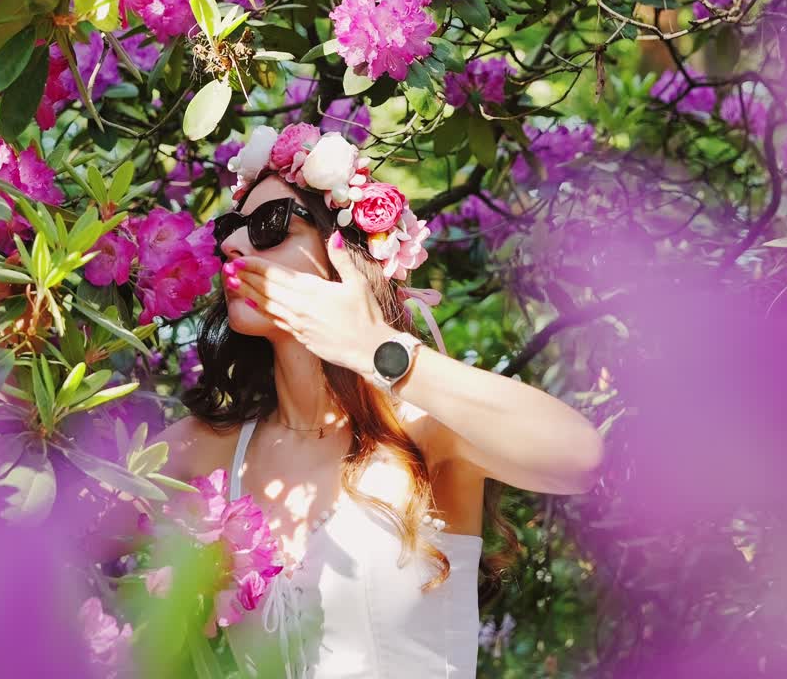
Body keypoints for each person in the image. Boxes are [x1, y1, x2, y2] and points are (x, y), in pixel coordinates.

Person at [156, 124, 603, 678]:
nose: (233, 244)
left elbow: (578, 457)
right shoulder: (211, 450)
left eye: (268, 226)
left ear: (347, 256)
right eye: (231, 227)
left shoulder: (423, 430)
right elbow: (50, 524)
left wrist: (380, 350)